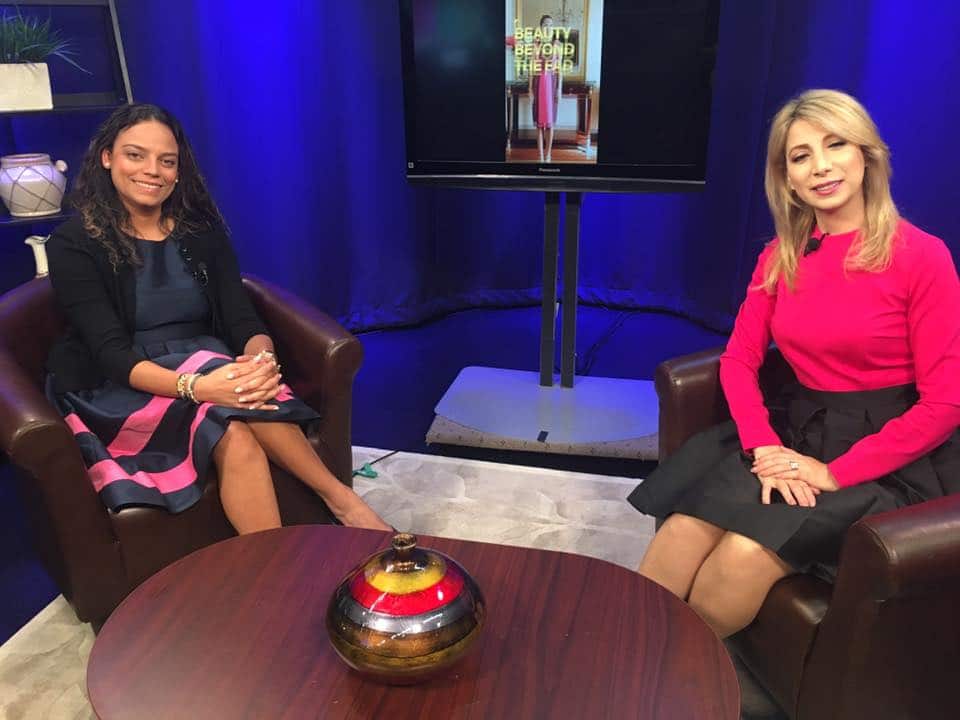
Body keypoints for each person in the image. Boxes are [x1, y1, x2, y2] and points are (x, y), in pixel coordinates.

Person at [627, 89, 960, 638]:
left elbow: (945, 402)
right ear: (786, 177)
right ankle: (625, 669)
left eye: (836, 145)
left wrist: (833, 472)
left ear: (867, 155)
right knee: (682, 531)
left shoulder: (921, 255)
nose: (821, 166)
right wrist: (764, 448)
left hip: (886, 451)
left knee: (738, 558)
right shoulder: (781, 255)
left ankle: (682, 685)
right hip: (793, 432)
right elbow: (737, 361)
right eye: (800, 156)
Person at [45, 103, 391, 533]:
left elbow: (241, 319)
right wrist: (201, 386)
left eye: (166, 161)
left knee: (236, 410)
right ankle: (338, 505)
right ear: (107, 157)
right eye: (136, 155)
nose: (152, 170)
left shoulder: (201, 232)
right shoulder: (72, 243)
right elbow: (110, 354)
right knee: (232, 416)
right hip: (123, 386)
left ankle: (310, 531)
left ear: (178, 170)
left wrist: (261, 361)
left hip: (208, 368)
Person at [529, 14, 562, 163]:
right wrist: (530, 89)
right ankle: (540, 156)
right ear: (541, 28)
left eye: (550, 25)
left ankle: (548, 155)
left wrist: (559, 89)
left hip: (552, 84)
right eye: (545, 25)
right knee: (539, 125)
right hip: (538, 84)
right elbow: (531, 69)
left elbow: (560, 70)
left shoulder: (558, 45)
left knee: (550, 123)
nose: (548, 27)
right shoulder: (535, 45)